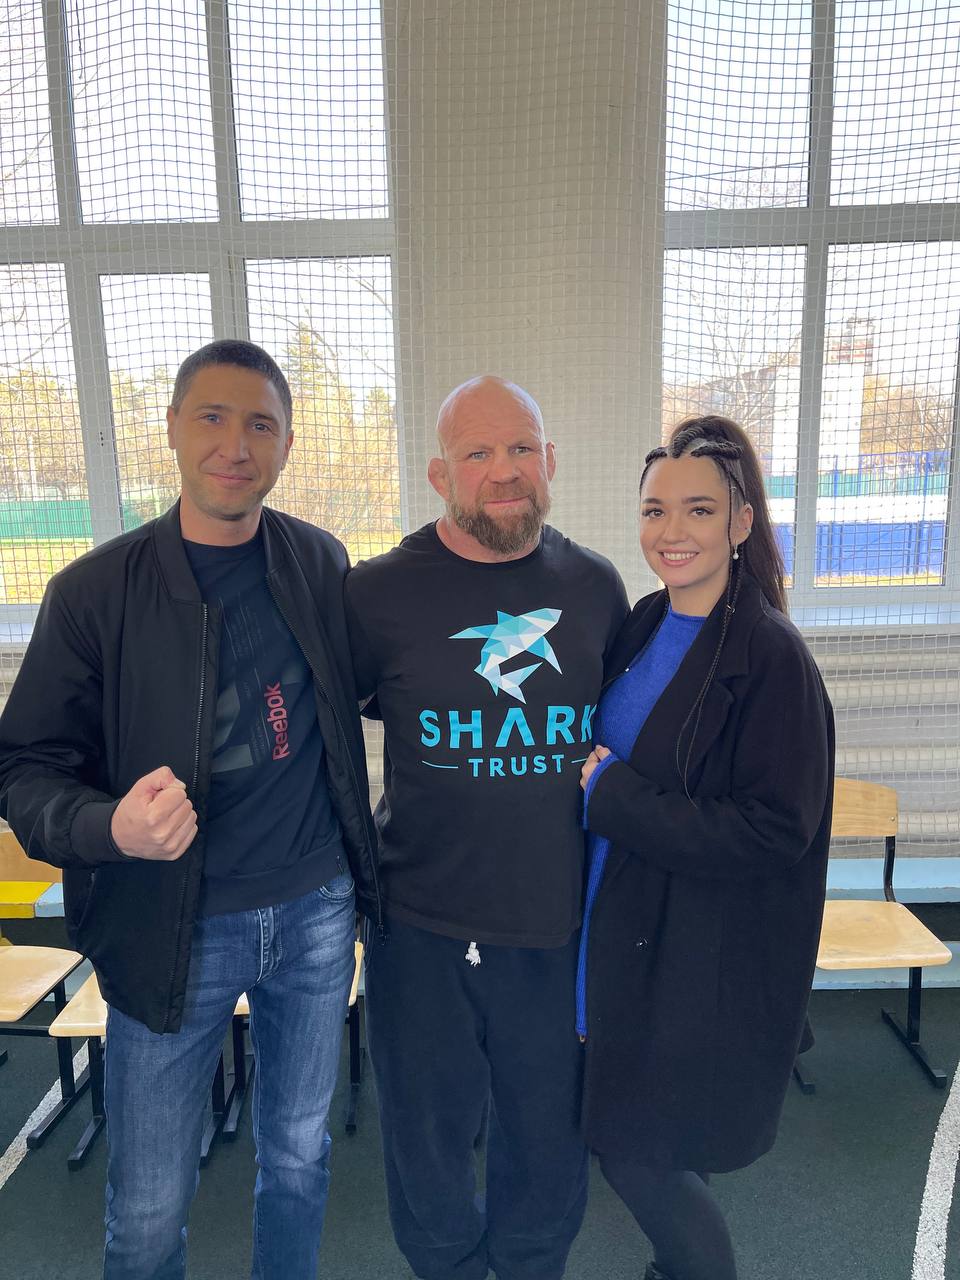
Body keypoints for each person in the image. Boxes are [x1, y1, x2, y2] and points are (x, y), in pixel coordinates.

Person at [0, 340, 381, 1280]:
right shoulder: (93, 592)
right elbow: (23, 770)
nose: (235, 445)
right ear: (171, 428)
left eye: (261, 425)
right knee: (147, 1208)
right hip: (171, 928)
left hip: (316, 914)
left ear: (286, 443)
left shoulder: (318, 560)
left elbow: (364, 689)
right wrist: (111, 828)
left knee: (299, 1159)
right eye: (212, 417)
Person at [344, 375, 628, 1280]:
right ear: (440, 475)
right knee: (424, 1133)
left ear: (550, 461)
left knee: (548, 1136)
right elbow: (322, 726)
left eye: (520, 449)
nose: (504, 470)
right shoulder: (375, 595)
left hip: (553, 921)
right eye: (478, 452)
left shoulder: (596, 588)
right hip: (418, 924)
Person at [576, 414, 834, 1280]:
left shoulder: (771, 657)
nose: (671, 531)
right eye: (655, 510)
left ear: (741, 521)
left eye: (698, 509)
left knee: (638, 1156)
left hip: (692, 951)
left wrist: (616, 798)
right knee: (639, 1139)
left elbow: (775, 830)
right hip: (612, 922)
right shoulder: (644, 622)